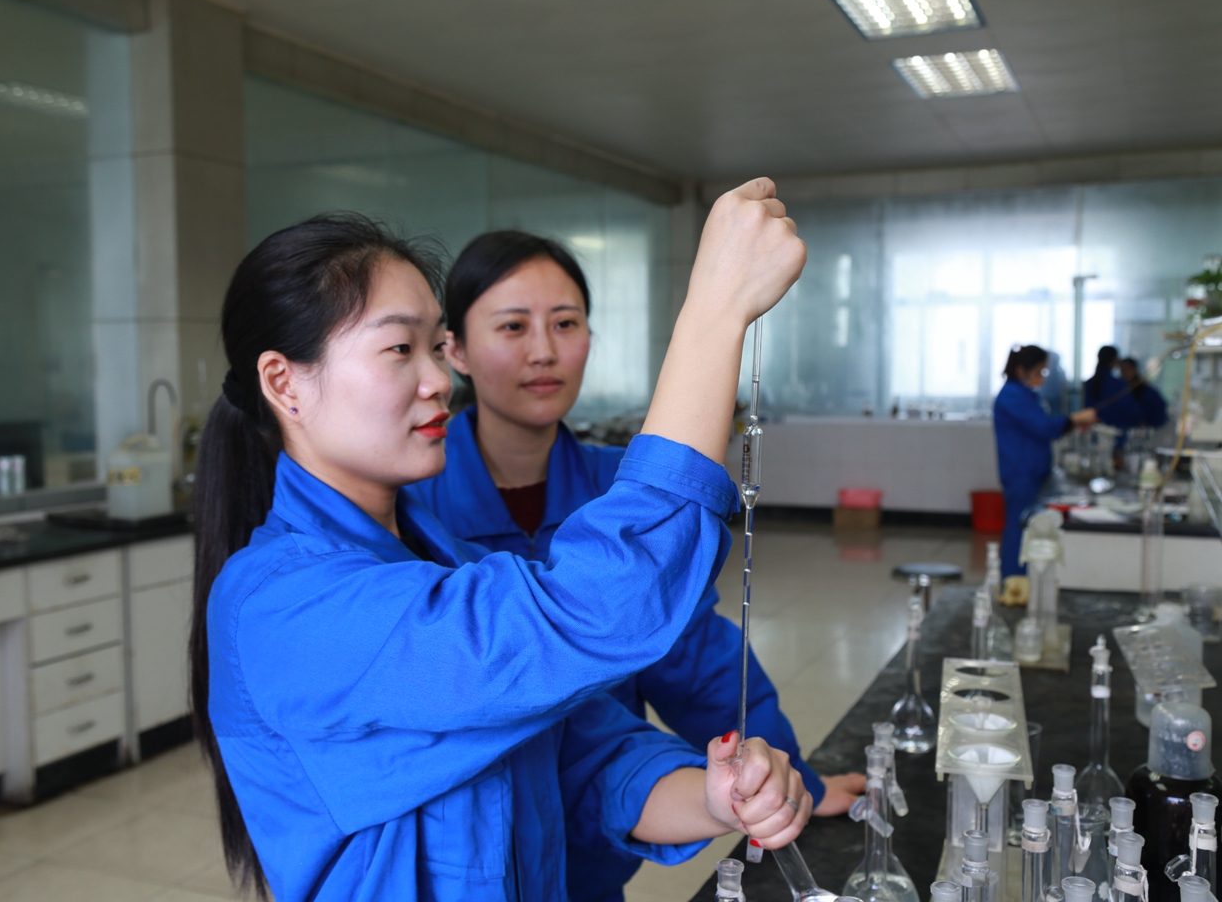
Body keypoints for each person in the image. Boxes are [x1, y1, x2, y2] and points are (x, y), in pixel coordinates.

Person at [193, 181, 811, 902]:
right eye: (399, 348)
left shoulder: (452, 561)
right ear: (285, 383)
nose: (437, 381)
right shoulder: (285, 606)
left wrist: (715, 796)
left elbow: (588, 757)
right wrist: (714, 312)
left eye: (434, 348)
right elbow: (595, 608)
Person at [406, 230, 865, 902]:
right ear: (455, 351)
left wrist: (787, 781)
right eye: (512, 326)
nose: (544, 351)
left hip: (606, 825)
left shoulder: (625, 494)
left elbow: (697, 663)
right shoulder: (415, 507)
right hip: (470, 849)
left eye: (566, 323)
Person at [994, 345, 1097, 579]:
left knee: (1027, 528)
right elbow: (1043, 428)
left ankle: (1023, 579)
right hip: (1021, 473)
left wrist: (1071, 423)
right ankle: (1013, 581)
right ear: (1021, 370)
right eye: (1039, 372)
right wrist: (1074, 419)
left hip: (1031, 473)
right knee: (1019, 530)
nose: (1042, 378)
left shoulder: (1026, 394)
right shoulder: (1012, 395)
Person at [1082, 345, 1143, 432]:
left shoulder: (1087, 384)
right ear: (1115, 361)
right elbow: (1133, 413)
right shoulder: (1118, 385)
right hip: (1115, 434)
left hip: (1092, 432)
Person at [1120, 357, 1170, 429]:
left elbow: (1160, 410)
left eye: (1127, 368)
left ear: (1134, 369)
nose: (1124, 372)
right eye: (1122, 369)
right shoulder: (1119, 390)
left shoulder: (1146, 391)